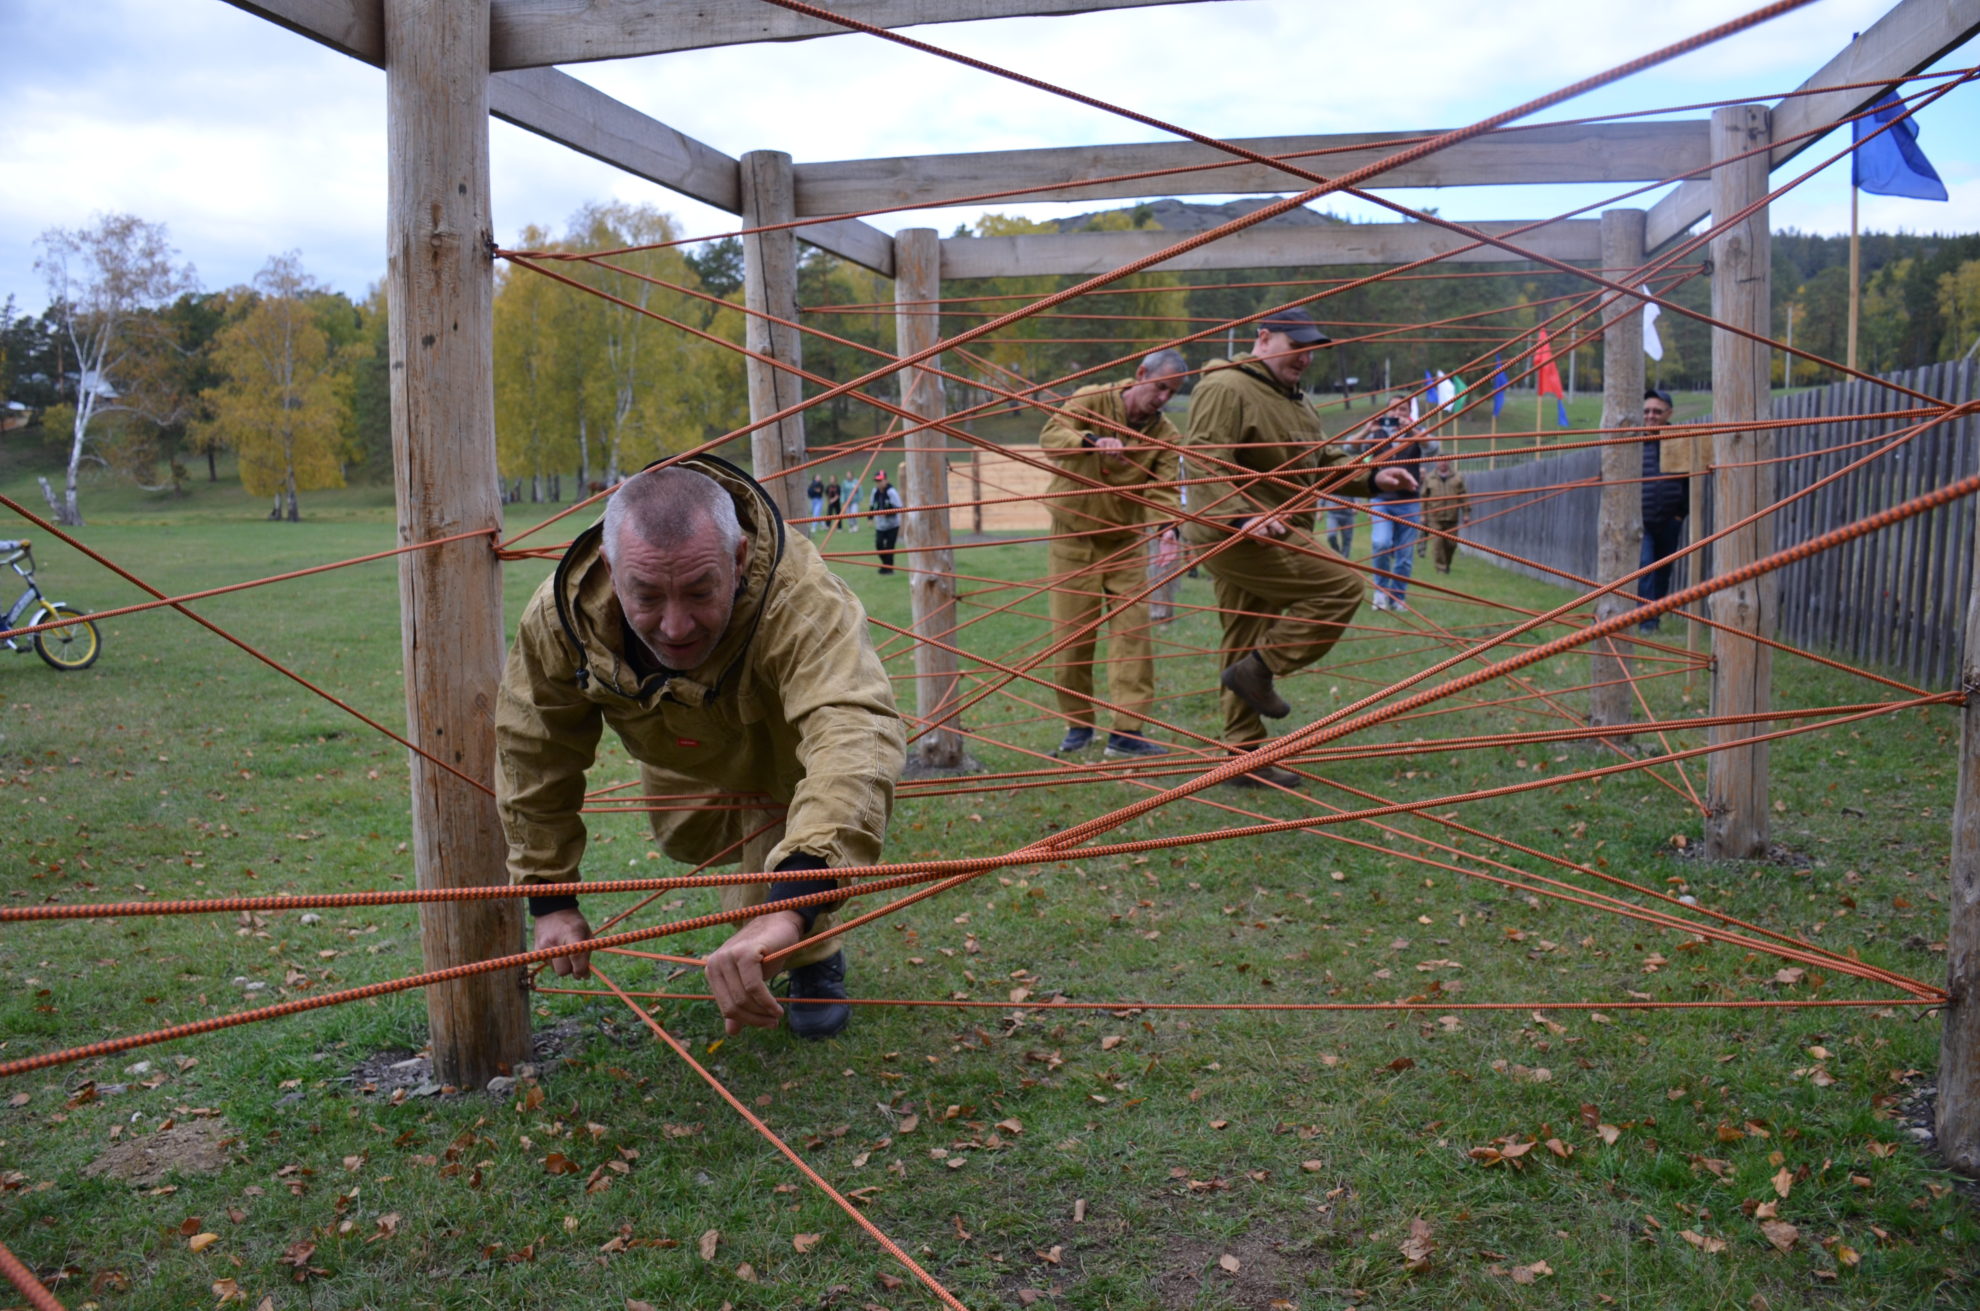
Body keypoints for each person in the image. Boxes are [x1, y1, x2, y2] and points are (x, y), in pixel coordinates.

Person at [496, 457, 907, 1040]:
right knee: (684, 836)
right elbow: (532, 746)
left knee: (786, 847)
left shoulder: (800, 595)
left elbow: (855, 727)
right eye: (647, 596)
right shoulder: (561, 619)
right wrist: (549, 896)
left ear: (738, 559)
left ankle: (813, 955)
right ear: (611, 568)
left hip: (785, 751)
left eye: (699, 590)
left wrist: (790, 906)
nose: (676, 626)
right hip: (678, 748)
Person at [1183, 307, 1417, 787]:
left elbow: (1321, 461)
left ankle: (1241, 757)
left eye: (1313, 351)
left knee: (1242, 639)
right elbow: (1204, 458)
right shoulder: (1225, 387)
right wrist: (1243, 514)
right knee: (1341, 587)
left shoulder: (1296, 401)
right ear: (1264, 339)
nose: (1306, 359)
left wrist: (1372, 476)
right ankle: (1261, 671)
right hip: (1237, 531)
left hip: (1275, 529)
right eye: (1298, 348)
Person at [1038, 348, 1187, 759]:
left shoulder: (1166, 434)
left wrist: (1168, 528)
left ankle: (1126, 733)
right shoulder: (1091, 399)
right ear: (1140, 374)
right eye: (1159, 387)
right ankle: (1078, 726)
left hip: (1124, 543)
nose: (1163, 398)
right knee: (1071, 642)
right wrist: (1089, 441)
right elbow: (1052, 436)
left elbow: (1164, 486)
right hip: (1072, 539)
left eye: (1171, 392)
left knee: (1133, 637)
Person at [1365, 390, 1432, 611]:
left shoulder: (1417, 433)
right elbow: (1349, 448)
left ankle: (1397, 597)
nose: (1397, 412)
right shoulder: (1377, 434)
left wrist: (1412, 429)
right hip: (1381, 499)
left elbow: (1434, 448)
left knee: (1404, 554)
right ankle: (1381, 592)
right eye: (1393, 408)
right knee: (1381, 544)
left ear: (1410, 413)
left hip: (1409, 501)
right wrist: (1368, 428)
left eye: (1402, 409)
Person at [1638, 388, 1694, 632]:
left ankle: (1654, 618)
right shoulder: (1630, 440)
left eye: (1657, 411)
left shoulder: (1678, 442)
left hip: (1670, 519)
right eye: (1647, 411)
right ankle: (1646, 622)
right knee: (1645, 567)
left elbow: (1692, 480)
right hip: (1640, 520)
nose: (1651, 416)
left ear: (1668, 413)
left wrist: (1680, 513)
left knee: (1663, 571)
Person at [1419, 457, 1470, 573]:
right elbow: (1424, 498)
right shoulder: (1429, 478)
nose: (1443, 463)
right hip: (1434, 517)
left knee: (1451, 544)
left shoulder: (1458, 477)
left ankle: (1447, 564)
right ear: (1437, 462)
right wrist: (1423, 515)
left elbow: (1464, 496)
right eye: (1441, 460)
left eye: (1445, 460)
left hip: (1452, 517)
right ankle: (1440, 568)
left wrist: (1466, 513)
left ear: (1449, 461)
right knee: (1438, 543)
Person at [869, 469, 904, 574]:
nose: (878, 483)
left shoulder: (891, 492)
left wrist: (887, 513)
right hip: (880, 525)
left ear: (886, 480)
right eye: (877, 481)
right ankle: (886, 565)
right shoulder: (874, 492)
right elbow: (871, 505)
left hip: (893, 525)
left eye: (880, 480)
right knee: (879, 545)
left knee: (890, 547)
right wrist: (870, 518)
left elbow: (899, 507)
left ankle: (889, 569)